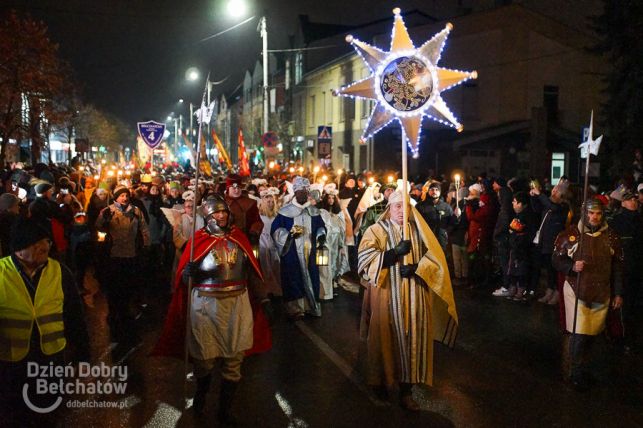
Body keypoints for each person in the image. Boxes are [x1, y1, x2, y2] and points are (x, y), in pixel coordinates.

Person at [152, 196, 272, 423]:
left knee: (234, 358)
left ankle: (225, 411)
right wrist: (188, 275)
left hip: (237, 303)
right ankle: (201, 395)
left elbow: (252, 272)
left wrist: (264, 299)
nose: (222, 216)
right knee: (204, 359)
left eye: (224, 212)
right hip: (206, 305)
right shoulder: (196, 242)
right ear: (207, 217)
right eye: (217, 213)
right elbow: (183, 282)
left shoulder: (239, 238)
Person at [358, 190, 457, 410]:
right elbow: (365, 260)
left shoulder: (420, 232)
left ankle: (407, 391)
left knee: (413, 341)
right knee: (386, 337)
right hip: (387, 294)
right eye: (397, 207)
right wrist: (392, 254)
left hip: (415, 296)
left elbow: (436, 261)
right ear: (389, 209)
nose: (402, 211)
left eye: (405, 207)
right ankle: (381, 382)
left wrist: (416, 268)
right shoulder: (376, 230)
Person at [0, 217, 89, 425]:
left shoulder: (60, 272)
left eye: (46, 242)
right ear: (19, 248)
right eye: (36, 243)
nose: (44, 246)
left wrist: (83, 356)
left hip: (50, 361)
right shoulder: (2, 273)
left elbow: (75, 315)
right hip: (10, 366)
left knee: (48, 416)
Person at [552, 198, 623, 391]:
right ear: (585, 213)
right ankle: (575, 372)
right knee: (579, 333)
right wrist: (572, 266)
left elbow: (617, 267)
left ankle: (583, 368)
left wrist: (618, 293)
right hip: (577, 289)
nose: (594, 217)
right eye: (591, 213)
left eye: (598, 213)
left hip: (601, 290)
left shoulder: (611, 237)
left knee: (592, 334)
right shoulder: (572, 235)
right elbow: (557, 260)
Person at [95, 185, 150, 351]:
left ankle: (126, 312)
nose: (124, 199)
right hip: (114, 255)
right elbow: (98, 229)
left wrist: (147, 245)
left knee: (128, 285)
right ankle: (114, 311)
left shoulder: (135, 211)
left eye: (126, 195)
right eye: (121, 196)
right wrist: (103, 220)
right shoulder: (108, 211)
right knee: (115, 286)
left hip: (131, 254)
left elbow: (144, 229)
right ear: (116, 198)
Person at [271, 176, 326, 319]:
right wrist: (289, 235)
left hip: (310, 251)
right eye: (299, 191)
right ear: (295, 192)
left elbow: (320, 226)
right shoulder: (285, 211)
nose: (302, 194)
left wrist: (321, 234)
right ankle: (295, 309)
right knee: (293, 277)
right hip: (292, 252)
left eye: (304, 191)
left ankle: (310, 306)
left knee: (311, 275)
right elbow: (276, 230)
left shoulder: (313, 211)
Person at [608, 191, 643, 352]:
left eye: (635, 199)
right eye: (630, 200)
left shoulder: (639, 219)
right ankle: (622, 337)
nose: (634, 202)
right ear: (623, 203)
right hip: (625, 269)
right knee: (624, 306)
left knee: (635, 306)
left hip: (637, 269)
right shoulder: (618, 221)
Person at [531, 179, 570, 304]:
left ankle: (557, 292)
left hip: (554, 242)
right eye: (554, 189)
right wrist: (534, 197)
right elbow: (536, 209)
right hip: (544, 241)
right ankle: (549, 290)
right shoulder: (549, 203)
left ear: (562, 195)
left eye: (556, 191)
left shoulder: (562, 206)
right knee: (548, 268)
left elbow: (552, 207)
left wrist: (540, 194)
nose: (553, 192)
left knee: (554, 269)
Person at [318, 183, 350, 300]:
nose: (331, 200)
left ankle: (332, 284)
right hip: (326, 241)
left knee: (335, 262)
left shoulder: (339, 212)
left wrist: (342, 243)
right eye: (329, 198)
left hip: (336, 241)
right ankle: (325, 288)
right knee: (325, 264)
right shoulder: (321, 211)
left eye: (333, 198)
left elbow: (342, 229)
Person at [415, 181, 455, 252]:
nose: (434, 191)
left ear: (440, 192)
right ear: (428, 191)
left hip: (441, 240)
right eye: (432, 189)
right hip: (426, 240)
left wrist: (445, 232)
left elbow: (452, 222)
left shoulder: (446, 207)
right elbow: (415, 222)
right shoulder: (420, 206)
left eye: (437, 190)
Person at [258, 187, 282, 297]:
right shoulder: (260, 216)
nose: (271, 204)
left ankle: (276, 288)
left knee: (276, 265)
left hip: (274, 243)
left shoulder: (276, 216)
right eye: (268, 201)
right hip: (263, 244)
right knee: (265, 266)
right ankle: (267, 288)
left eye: (272, 202)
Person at [225, 174, 263, 242]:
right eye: (234, 188)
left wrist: (254, 231)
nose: (236, 190)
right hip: (225, 240)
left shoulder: (250, 203)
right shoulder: (221, 203)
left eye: (238, 188)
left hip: (245, 240)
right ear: (228, 189)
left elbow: (257, 221)